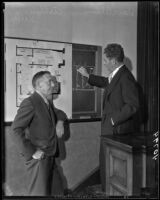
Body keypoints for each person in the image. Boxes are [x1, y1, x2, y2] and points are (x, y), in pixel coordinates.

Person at [77, 43, 139, 191]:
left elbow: (133, 105)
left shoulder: (125, 77)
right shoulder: (117, 74)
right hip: (111, 128)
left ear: (113, 61)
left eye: (105, 61)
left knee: (112, 166)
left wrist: (113, 120)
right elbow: (107, 82)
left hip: (116, 129)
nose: (104, 64)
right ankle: (107, 190)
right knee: (106, 162)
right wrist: (87, 76)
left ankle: (110, 191)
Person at [11, 71, 67, 196]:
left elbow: (59, 113)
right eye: (49, 82)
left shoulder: (46, 102)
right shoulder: (30, 102)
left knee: (57, 191)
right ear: (39, 86)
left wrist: (60, 122)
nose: (53, 85)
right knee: (39, 193)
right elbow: (15, 129)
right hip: (39, 159)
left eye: (53, 81)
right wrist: (32, 152)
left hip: (50, 156)